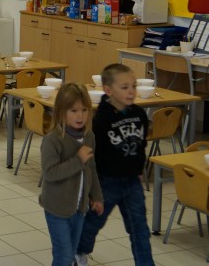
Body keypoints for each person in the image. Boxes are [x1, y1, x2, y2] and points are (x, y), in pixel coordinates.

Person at [76, 64, 153, 266]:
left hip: (132, 183)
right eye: (125, 87)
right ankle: (78, 252)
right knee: (93, 223)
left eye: (134, 86)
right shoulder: (101, 119)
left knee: (139, 228)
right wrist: (94, 190)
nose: (132, 91)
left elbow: (141, 144)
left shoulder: (139, 114)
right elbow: (95, 155)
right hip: (106, 183)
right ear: (108, 90)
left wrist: (138, 170)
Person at [40, 83, 103, 266]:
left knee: (72, 252)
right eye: (74, 110)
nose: (80, 116)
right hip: (56, 208)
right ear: (61, 112)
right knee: (64, 256)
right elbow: (50, 173)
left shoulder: (89, 137)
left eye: (84, 110)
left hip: (79, 208)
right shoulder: (53, 140)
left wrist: (96, 196)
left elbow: (91, 168)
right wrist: (78, 160)